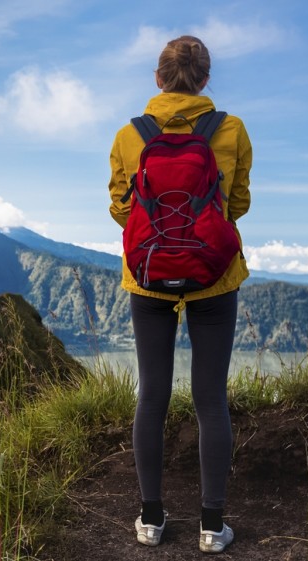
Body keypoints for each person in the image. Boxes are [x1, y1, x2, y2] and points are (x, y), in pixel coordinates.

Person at [106, 35, 252, 554]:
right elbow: (237, 204)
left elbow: (122, 210)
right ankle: (212, 527)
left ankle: (151, 518)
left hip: (147, 277)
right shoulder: (230, 130)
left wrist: (161, 237)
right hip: (214, 276)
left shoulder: (130, 135)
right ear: (206, 80)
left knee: (152, 394)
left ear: (157, 78)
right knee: (211, 399)